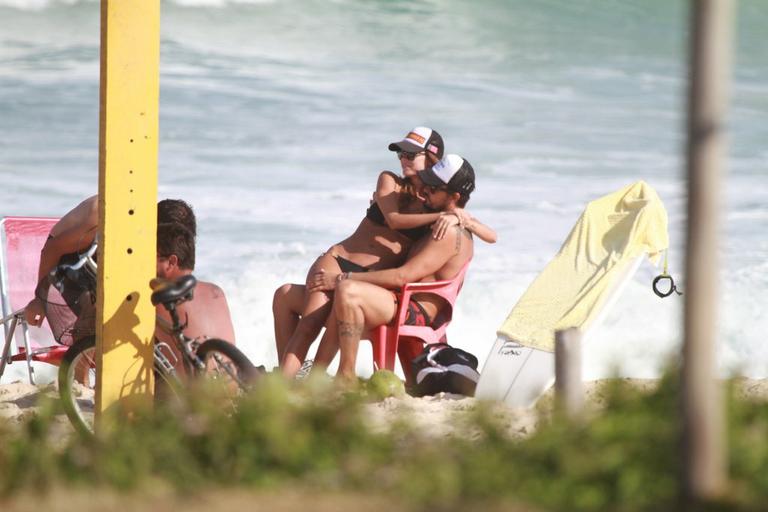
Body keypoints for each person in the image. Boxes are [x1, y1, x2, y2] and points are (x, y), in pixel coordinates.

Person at [275, 127, 496, 378]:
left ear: (433, 160)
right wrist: (448, 215)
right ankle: (287, 385)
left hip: (372, 280)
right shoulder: (392, 183)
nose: (403, 159)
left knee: (322, 305)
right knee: (311, 323)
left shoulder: (435, 201)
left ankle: (311, 379)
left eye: (411, 155)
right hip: (339, 261)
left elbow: (491, 236)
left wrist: (462, 219)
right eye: (401, 153)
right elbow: (394, 220)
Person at [306, 154, 476, 382]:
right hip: (400, 299)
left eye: (434, 188)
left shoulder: (450, 233)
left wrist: (342, 277)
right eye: (428, 183)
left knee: (347, 289)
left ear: (454, 196)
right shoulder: (440, 222)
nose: (426, 190)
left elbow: (401, 276)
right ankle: (315, 377)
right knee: (340, 293)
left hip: (417, 311)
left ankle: (345, 376)